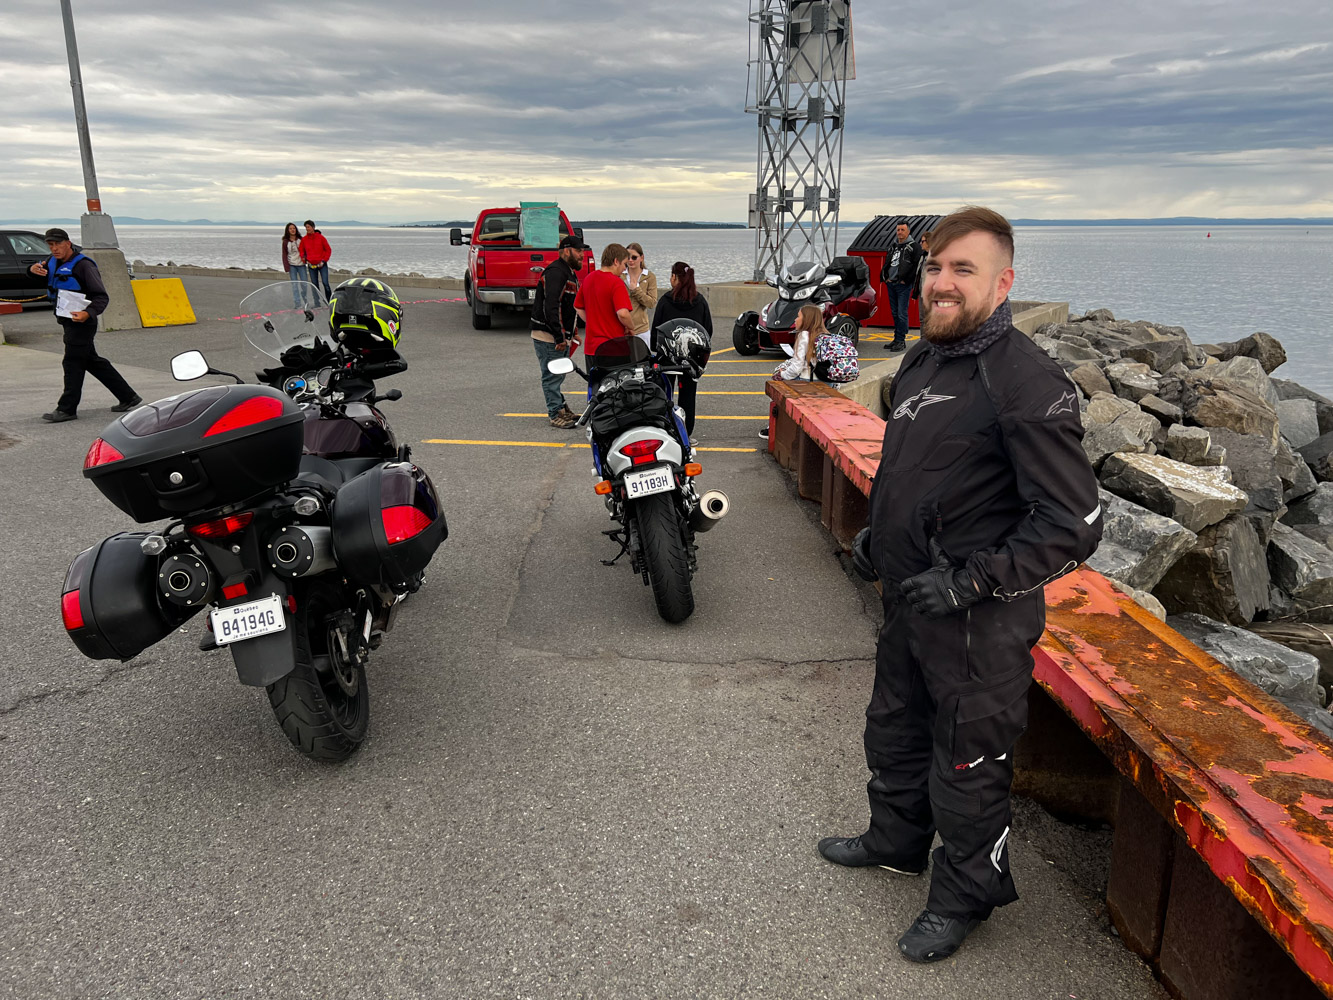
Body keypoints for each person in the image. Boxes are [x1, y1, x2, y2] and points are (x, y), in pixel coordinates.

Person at [824, 206, 1102, 963]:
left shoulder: (1025, 382)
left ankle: (964, 897)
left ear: (1003, 282)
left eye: (963, 270)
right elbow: (914, 471)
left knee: (966, 762)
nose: (941, 284)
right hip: (911, 598)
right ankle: (894, 840)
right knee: (895, 727)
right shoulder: (921, 359)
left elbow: (1073, 523)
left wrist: (970, 580)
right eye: (936, 267)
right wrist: (879, 537)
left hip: (980, 618)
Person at [28, 228, 140, 423]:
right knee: (91, 361)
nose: (54, 248)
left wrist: (87, 313)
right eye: (50, 244)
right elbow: (44, 277)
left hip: (82, 323)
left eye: (57, 244)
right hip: (67, 320)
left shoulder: (84, 266)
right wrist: (31, 270)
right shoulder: (52, 260)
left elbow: (101, 297)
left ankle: (67, 409)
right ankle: (128, 396)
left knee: (72, 363)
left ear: (68, 243)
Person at [531, 235, 588, 429]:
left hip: (561, 335)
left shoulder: (568, 272)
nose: (582, 255)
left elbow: (568, 307)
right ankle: (555, 413)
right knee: (551, 375)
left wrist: (573, 332)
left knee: (558, 374)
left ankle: (562, 408)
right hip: (549, 336)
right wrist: (559, 336)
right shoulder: (556, 272)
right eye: (578, 251)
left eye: (583, 251)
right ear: (566, 250)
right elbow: (551, 306)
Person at [651, 261, 712, 440]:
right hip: (690, 360)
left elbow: (656, 330)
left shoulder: (665, 301)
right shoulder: (700, 302)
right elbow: (707, 330)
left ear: (675, 278)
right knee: (687, 396)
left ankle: (665, 431)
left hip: (667, 358)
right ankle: (685, 433)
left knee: (665, 394)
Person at [759, 305, 826, 440]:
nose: (795, 320)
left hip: (808, 382)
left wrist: (781, 374)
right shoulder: (824, 335)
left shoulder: (804, 335)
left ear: (806, 319)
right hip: (825, 381)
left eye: (798, 316)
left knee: (778, 387)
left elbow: (797, 367)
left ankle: (773, 427)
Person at [573, 243, 635, 359]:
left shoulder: (588, 279)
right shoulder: (616, 283)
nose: (624, 269)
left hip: (592, 349)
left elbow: (578, 306)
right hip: (614, 348)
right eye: (624, 264)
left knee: (595, 377)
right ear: (616, 261)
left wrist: (593, 321)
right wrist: (631, 327)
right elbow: (623, 313)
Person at [880, 221, 924, 353]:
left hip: (903, 285)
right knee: (894, 312)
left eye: (902, 230)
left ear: (908, 231)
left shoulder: (913, 247)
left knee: (901, 313)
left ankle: (901, 340)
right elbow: (888, 261)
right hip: (891, 283)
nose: (900, 232)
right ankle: (896, 338)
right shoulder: (893, 246)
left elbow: (917, 266)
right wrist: (885, 277)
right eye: (898, 230)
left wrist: (906, 280)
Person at [623, 242, 658, 347]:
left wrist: (636, 290)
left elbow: (651, 303)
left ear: (641, 258)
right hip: (622, 329)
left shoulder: (649, 277)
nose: (630, 260)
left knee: (643, 362)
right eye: (627, 257)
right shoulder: (620, 275)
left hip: (641, 329)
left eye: (634, 257)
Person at [300, 220, 333, 300]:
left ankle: (330, 301)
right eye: (306, 227)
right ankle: (317, 302)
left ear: (313, 227)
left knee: (325, 283)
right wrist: (305, 260)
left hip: (322, 264)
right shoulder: (304, 239)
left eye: (309, 227)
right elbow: (301, 251)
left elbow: (328, 250)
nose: (307, 229)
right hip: (311, 266)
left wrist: (324, 261)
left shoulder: (321, 238)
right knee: (314, 285)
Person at [281, 222, 310, 307]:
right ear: (287, 230)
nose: (292, 230)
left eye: (294, 228)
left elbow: (306, 250)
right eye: (290, 229)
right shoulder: (285, 242)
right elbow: (284, 254)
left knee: (304, 284)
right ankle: (297, 303)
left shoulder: (301, 239)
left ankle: (305, 300)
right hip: (292, 265)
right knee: (294, 285)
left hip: (301, 265)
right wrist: (286, 267)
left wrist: (306, 259)